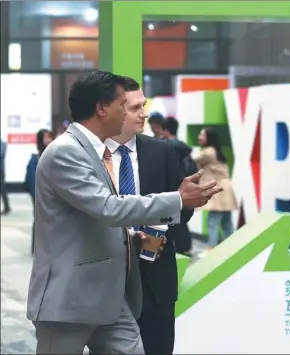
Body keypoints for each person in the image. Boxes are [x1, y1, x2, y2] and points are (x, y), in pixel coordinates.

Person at [26, 70, 223, 355]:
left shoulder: (93, 151)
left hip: (110, 296)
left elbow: (94, 218)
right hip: (70, 298)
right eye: (125, 105)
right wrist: (177, 200)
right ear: (102, 108)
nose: (138, 113)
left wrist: (132, 242)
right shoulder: (66, 152)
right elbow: (107, 207)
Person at [104, 77, 193, 355]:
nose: (144, 113)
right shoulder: (90, 155)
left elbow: (183, 209)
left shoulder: (163, 152)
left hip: (156, 277)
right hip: (107, 278)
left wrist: (156, 229)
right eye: (134, 108)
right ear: (110, 109)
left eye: (144, 105)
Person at [195, 127, 237, 249]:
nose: (199, 137)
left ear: (209, 138)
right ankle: (232, 248)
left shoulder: (208, 152)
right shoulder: (215, 151)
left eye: (202, 135)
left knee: (212, 221)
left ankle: (211, 250)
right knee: (226, 222)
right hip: (225, 190)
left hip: (219, 190)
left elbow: (194, 160)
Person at [161, 116, 197, 255]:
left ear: (165, 130)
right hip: (186, 188)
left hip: (173, 190)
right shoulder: (184, 148)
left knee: (174, 222)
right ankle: (185, 248)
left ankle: (180, 249)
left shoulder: (166, 148)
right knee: (181, 221)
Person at [25, 129, 54, 253]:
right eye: (45, 137)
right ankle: (36, 247)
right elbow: (31, 181)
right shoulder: (35, 159)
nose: (49, 140)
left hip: (53, 196)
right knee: (39, 220)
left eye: (50, 137)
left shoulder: (55, 156)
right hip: (40, 195)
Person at [0, 138, 11, 215]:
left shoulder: (2, 143)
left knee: (2, 188)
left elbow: (1, 153)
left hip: (0, 169)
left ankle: (7, 207)